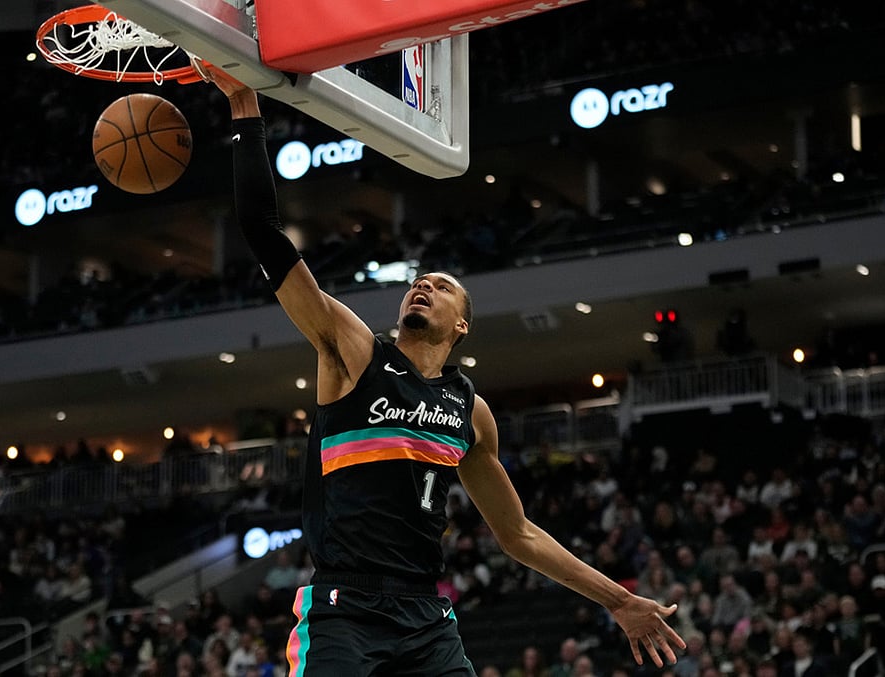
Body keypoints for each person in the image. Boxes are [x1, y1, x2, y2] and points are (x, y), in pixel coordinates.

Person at [205, 68, 686, 676]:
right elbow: (263, 233)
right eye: (417, 283)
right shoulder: (352, 352)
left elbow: (519, 536)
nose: (423, 286)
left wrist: (618, 601)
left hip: (425, 620)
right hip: (343, 610)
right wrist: (244, 103)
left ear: (462, 326)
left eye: (441, 286)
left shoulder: (470, 411)